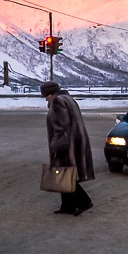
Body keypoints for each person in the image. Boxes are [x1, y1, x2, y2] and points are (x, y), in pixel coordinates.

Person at [41, 81, 94, 216]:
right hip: (75, 143)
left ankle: (84, 202)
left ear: (50, 93)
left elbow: (61, 127)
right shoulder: (68, 99)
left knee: (65, 175)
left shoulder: (57, 102)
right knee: (64, 174)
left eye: (46, 95)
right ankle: (67, 206)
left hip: (66, 145)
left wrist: (58, 146)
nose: (45, 98)